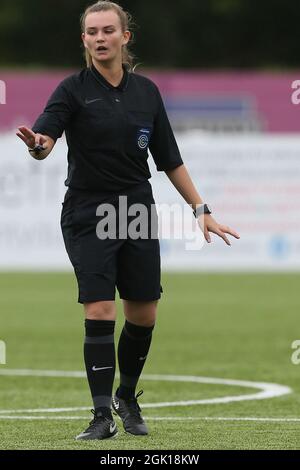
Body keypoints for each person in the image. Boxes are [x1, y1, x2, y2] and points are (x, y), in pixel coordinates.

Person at [16, 0, 240, 441]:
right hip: (88, 210)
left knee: (144, 314)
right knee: (99, 307)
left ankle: (127, 396)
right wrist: (37, 145)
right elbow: (46, 140)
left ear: (124, 37)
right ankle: (101, 416)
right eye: (91, 32)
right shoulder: (72, 89)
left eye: (107, 30)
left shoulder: (147, 93)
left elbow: (170, 160)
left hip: (136, 210)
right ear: (84, 40)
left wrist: (202, 210)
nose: (100, 38)